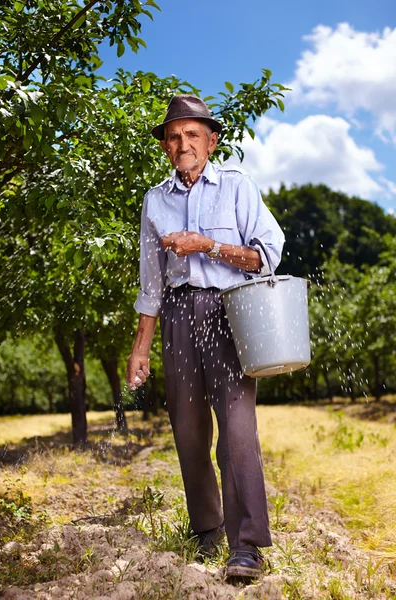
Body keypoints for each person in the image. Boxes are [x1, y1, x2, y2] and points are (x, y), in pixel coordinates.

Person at [126, 95, 284, 580]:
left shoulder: (236, 187)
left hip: (229, 312)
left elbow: (266, 255)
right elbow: (151, 283)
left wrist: (207, 245)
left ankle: (248, 544)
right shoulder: (155, 200)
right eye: (174, 137)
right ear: (165, 148)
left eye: (192, 135)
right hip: (175, 314)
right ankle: (208, 530)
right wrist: (140, 348)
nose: (182, 144)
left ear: (211, 141)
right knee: (189, 431)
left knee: (237, 431)